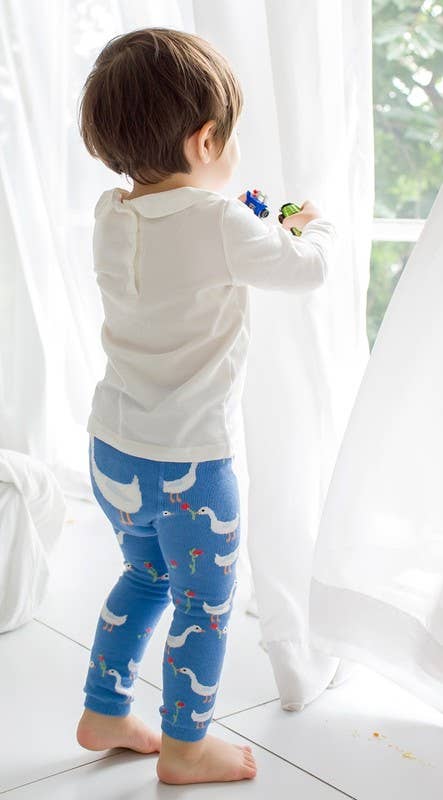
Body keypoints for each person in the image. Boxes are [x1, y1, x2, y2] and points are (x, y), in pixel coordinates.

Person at [74, 27, 337, 786]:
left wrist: (249, 225)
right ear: (205, 138)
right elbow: (305, 269)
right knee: (204, 607)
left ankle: (106, 709)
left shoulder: (108, 214)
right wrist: (306, 221)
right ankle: (186, 747)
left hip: (112, 450)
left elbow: (181, 250)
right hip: (190, 467)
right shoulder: (223, 223)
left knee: (144, 577)